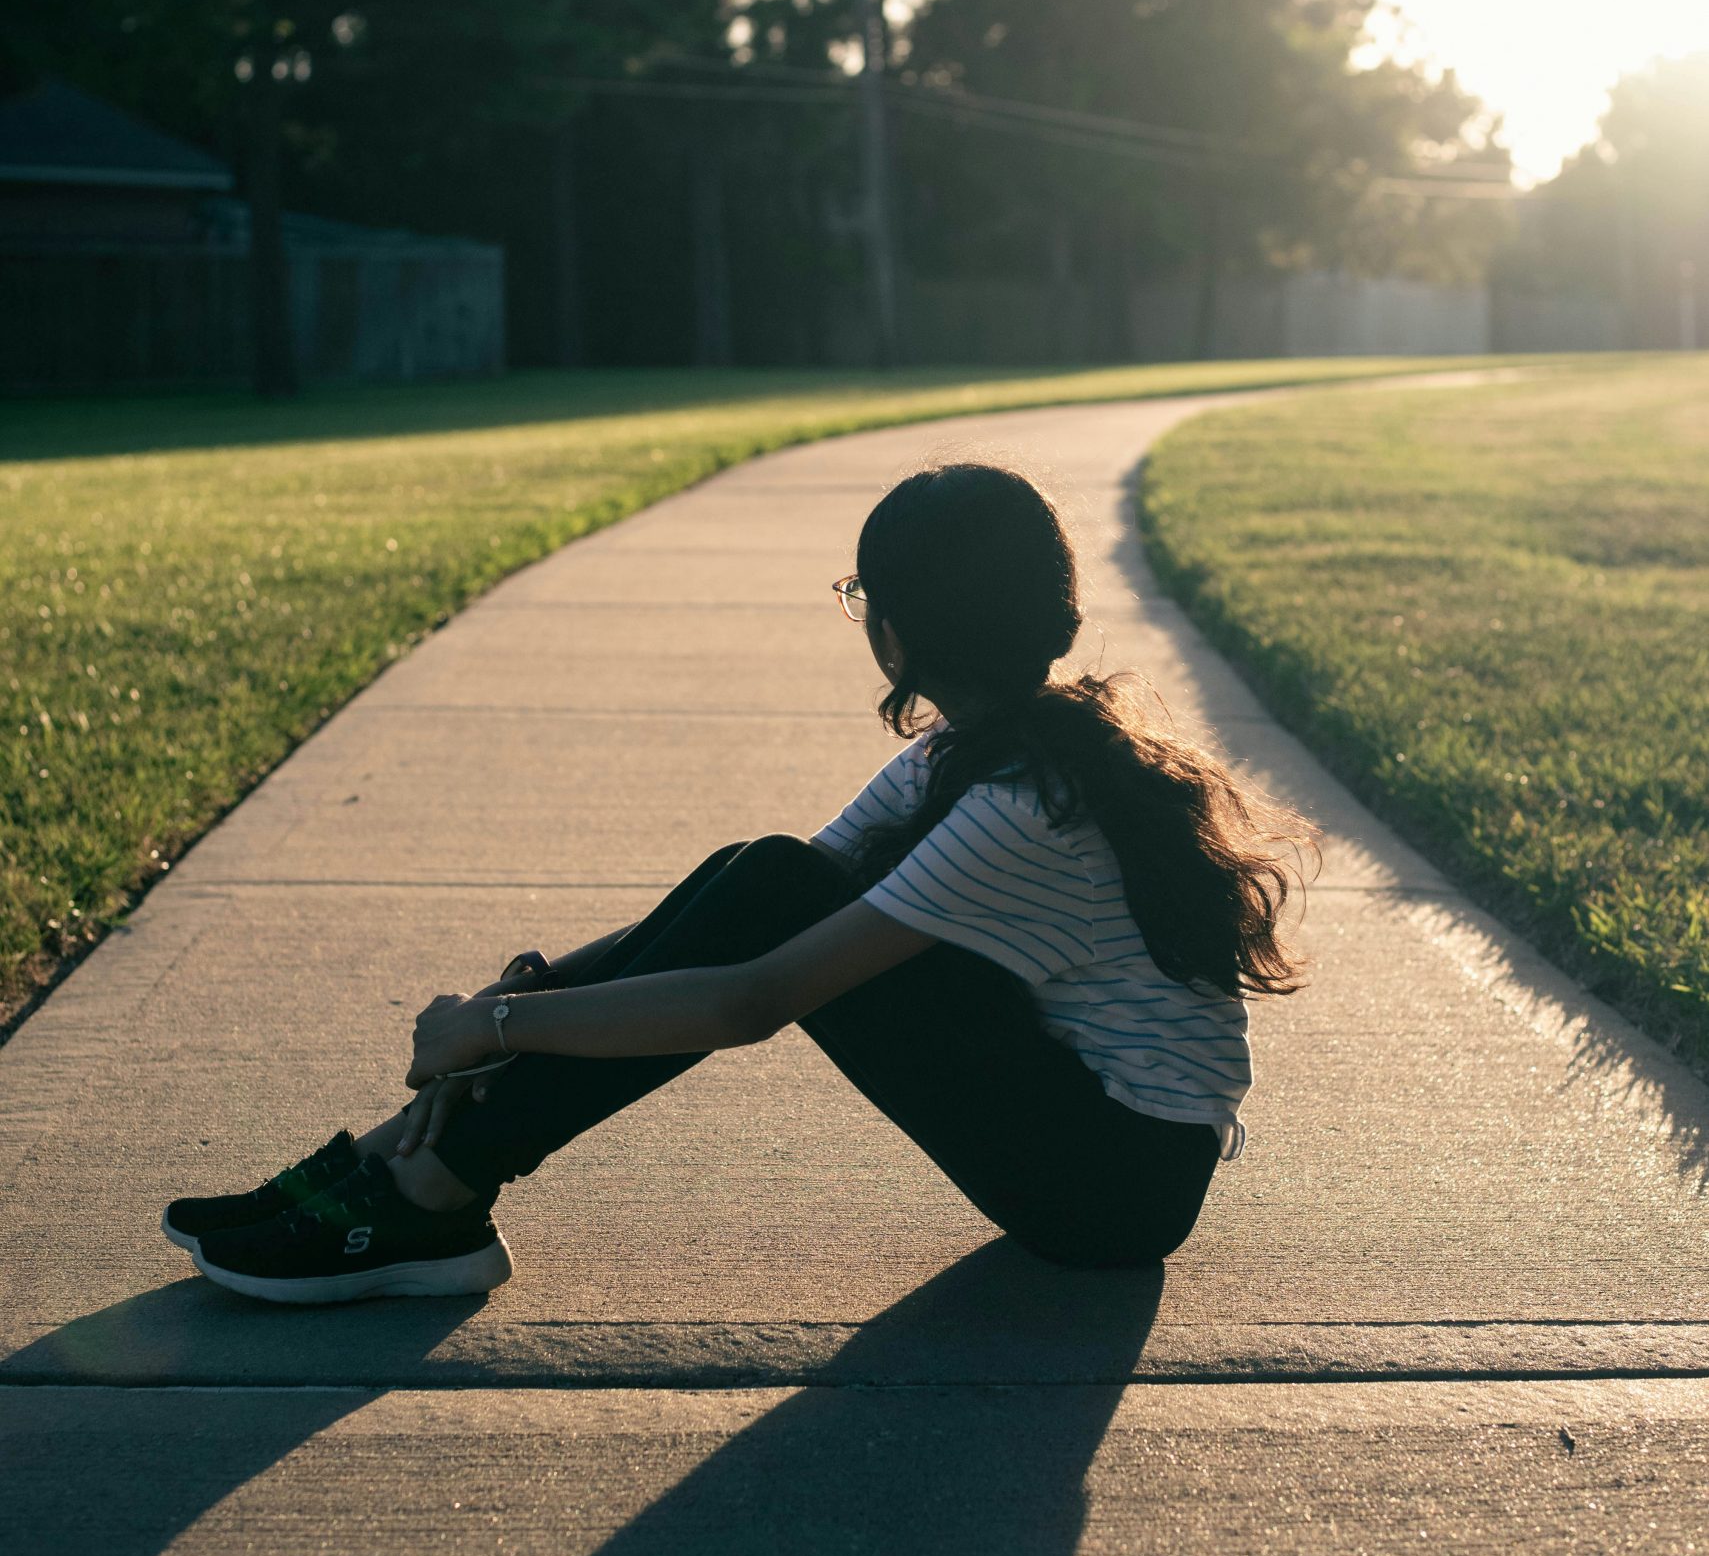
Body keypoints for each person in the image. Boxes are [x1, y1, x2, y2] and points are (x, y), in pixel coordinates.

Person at [164, 461, 1312, 1306]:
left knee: (770, 885)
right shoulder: (991, 753)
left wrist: (504, 1020)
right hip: (1090, 1142)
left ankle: (434, 1194)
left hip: (1110, 1190)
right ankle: (396, 1166)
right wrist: (498, 1012)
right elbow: (734, 907)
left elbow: (746, 999)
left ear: (900, 630)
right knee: (764, 868)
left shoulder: (1026, 805)